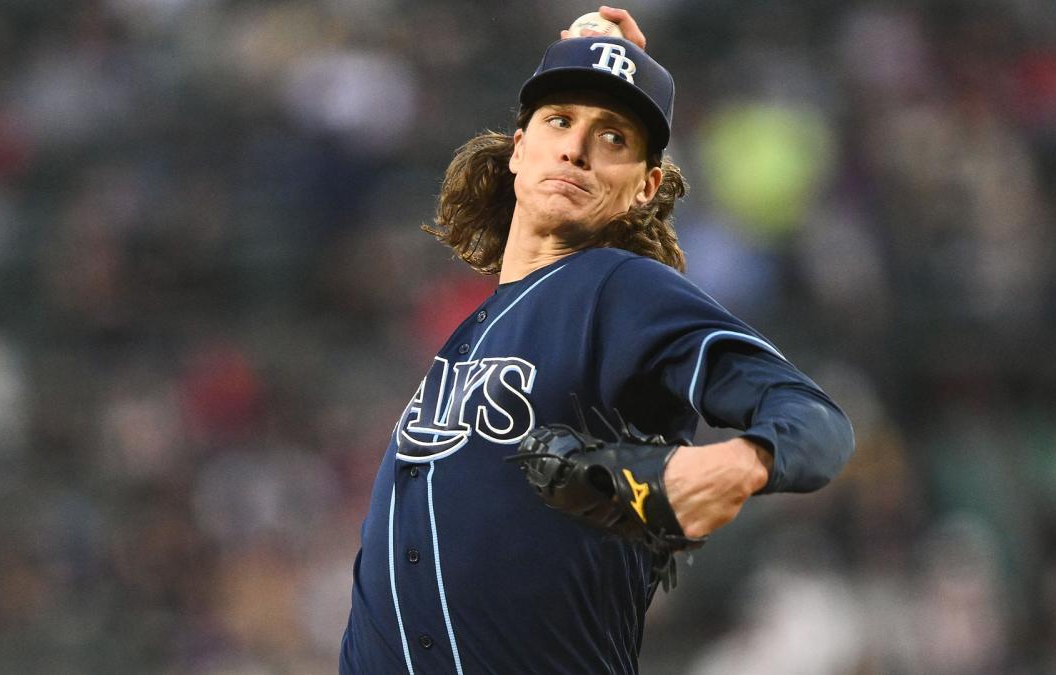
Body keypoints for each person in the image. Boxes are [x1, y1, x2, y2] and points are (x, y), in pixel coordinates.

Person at [340, 7, 854, 673]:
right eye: (561, 120)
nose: (577, 149)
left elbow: (816, 422)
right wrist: (594, 58)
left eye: (613, 136)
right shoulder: (472, 333)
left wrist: (737, 462)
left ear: (643, 189)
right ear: (518, 147)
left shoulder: (617, 289)